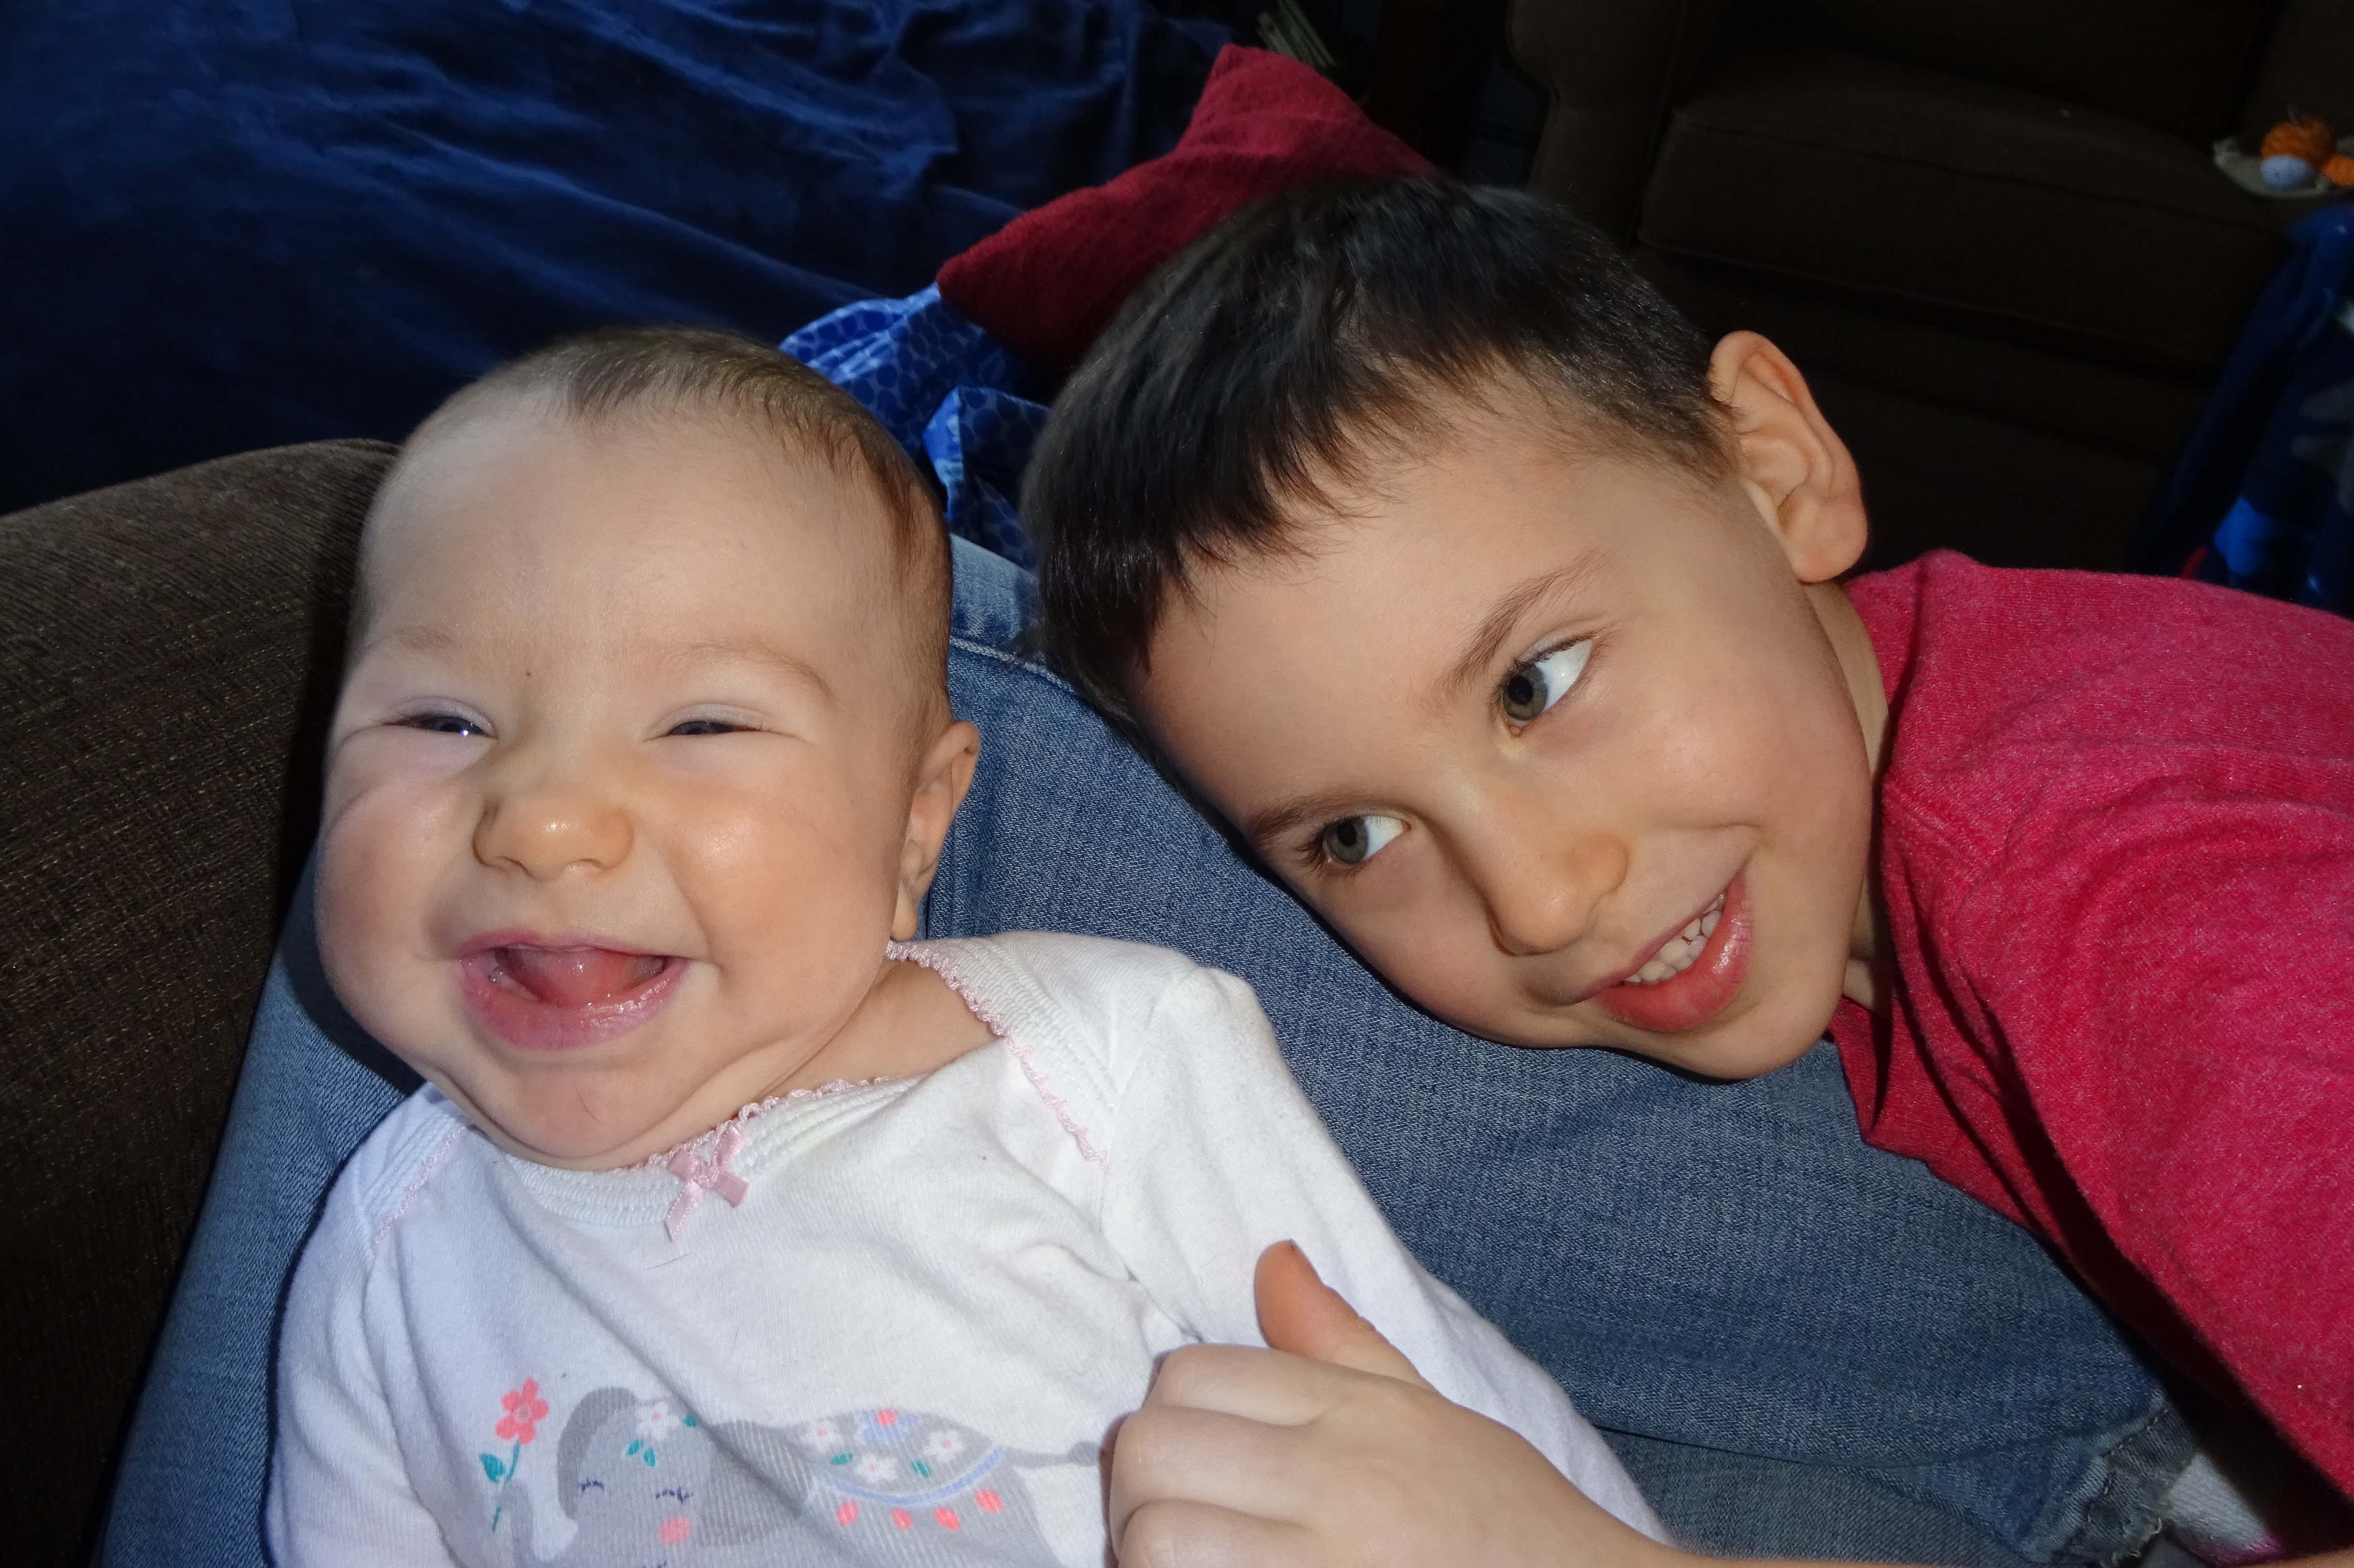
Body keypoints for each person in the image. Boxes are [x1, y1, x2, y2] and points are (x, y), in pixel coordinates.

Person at [1023, 178, 2354, 1565]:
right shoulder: (1872, 780)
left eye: (1535, 683)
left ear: (1776, 471)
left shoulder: (2135, 905)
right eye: (1354, 836)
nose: (1538, 900)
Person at [262, 323, 1666, 1565]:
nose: (544, 822)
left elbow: (1445, 1437)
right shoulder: (387, 1257)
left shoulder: (1104, 1065)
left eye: (702, 724)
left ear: (914, 828)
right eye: (442, 720)